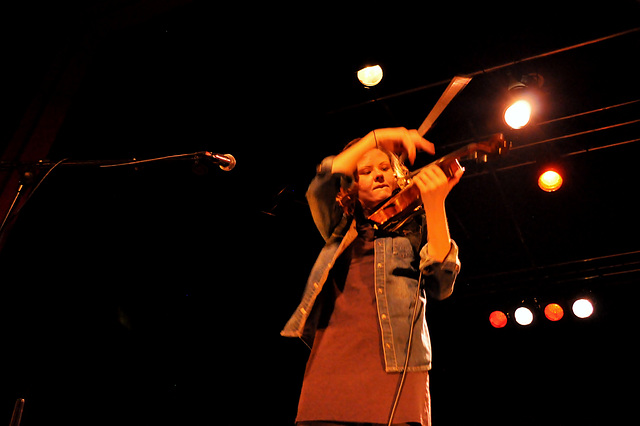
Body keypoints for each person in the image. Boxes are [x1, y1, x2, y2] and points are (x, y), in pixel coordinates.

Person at [281, 127, 463, 426]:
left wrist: (435, 203)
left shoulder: (416, 226)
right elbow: (322, 180)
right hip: (334, 356)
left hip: (397, 361)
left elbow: (442, 284)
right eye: (366, 171)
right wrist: (377, 138)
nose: (378, 175)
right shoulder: (339, 227)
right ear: (351, 185)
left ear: (398, 178)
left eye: (385, 168)